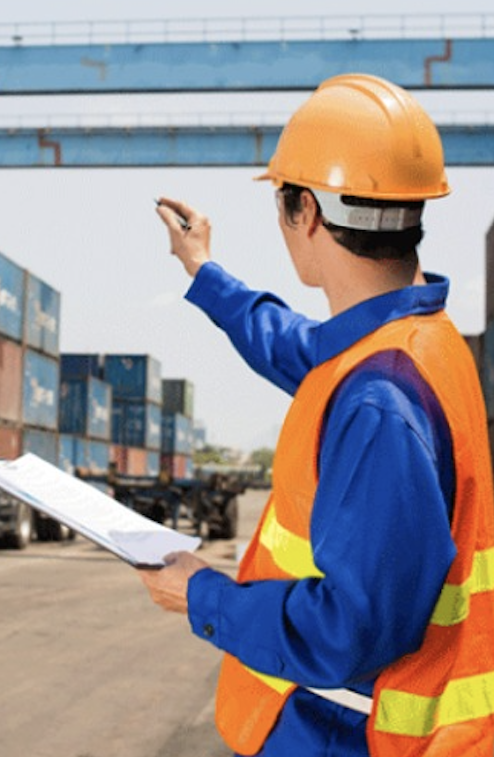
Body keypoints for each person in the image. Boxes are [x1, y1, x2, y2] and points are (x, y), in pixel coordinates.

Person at [139, 73, 494, 757]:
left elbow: (353, 629)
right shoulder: (414, 340)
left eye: (281, 204)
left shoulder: (379, 400)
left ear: (305, 211)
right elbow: (293, 345)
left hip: (358, 737)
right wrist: (203, 269)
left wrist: (201, 595)